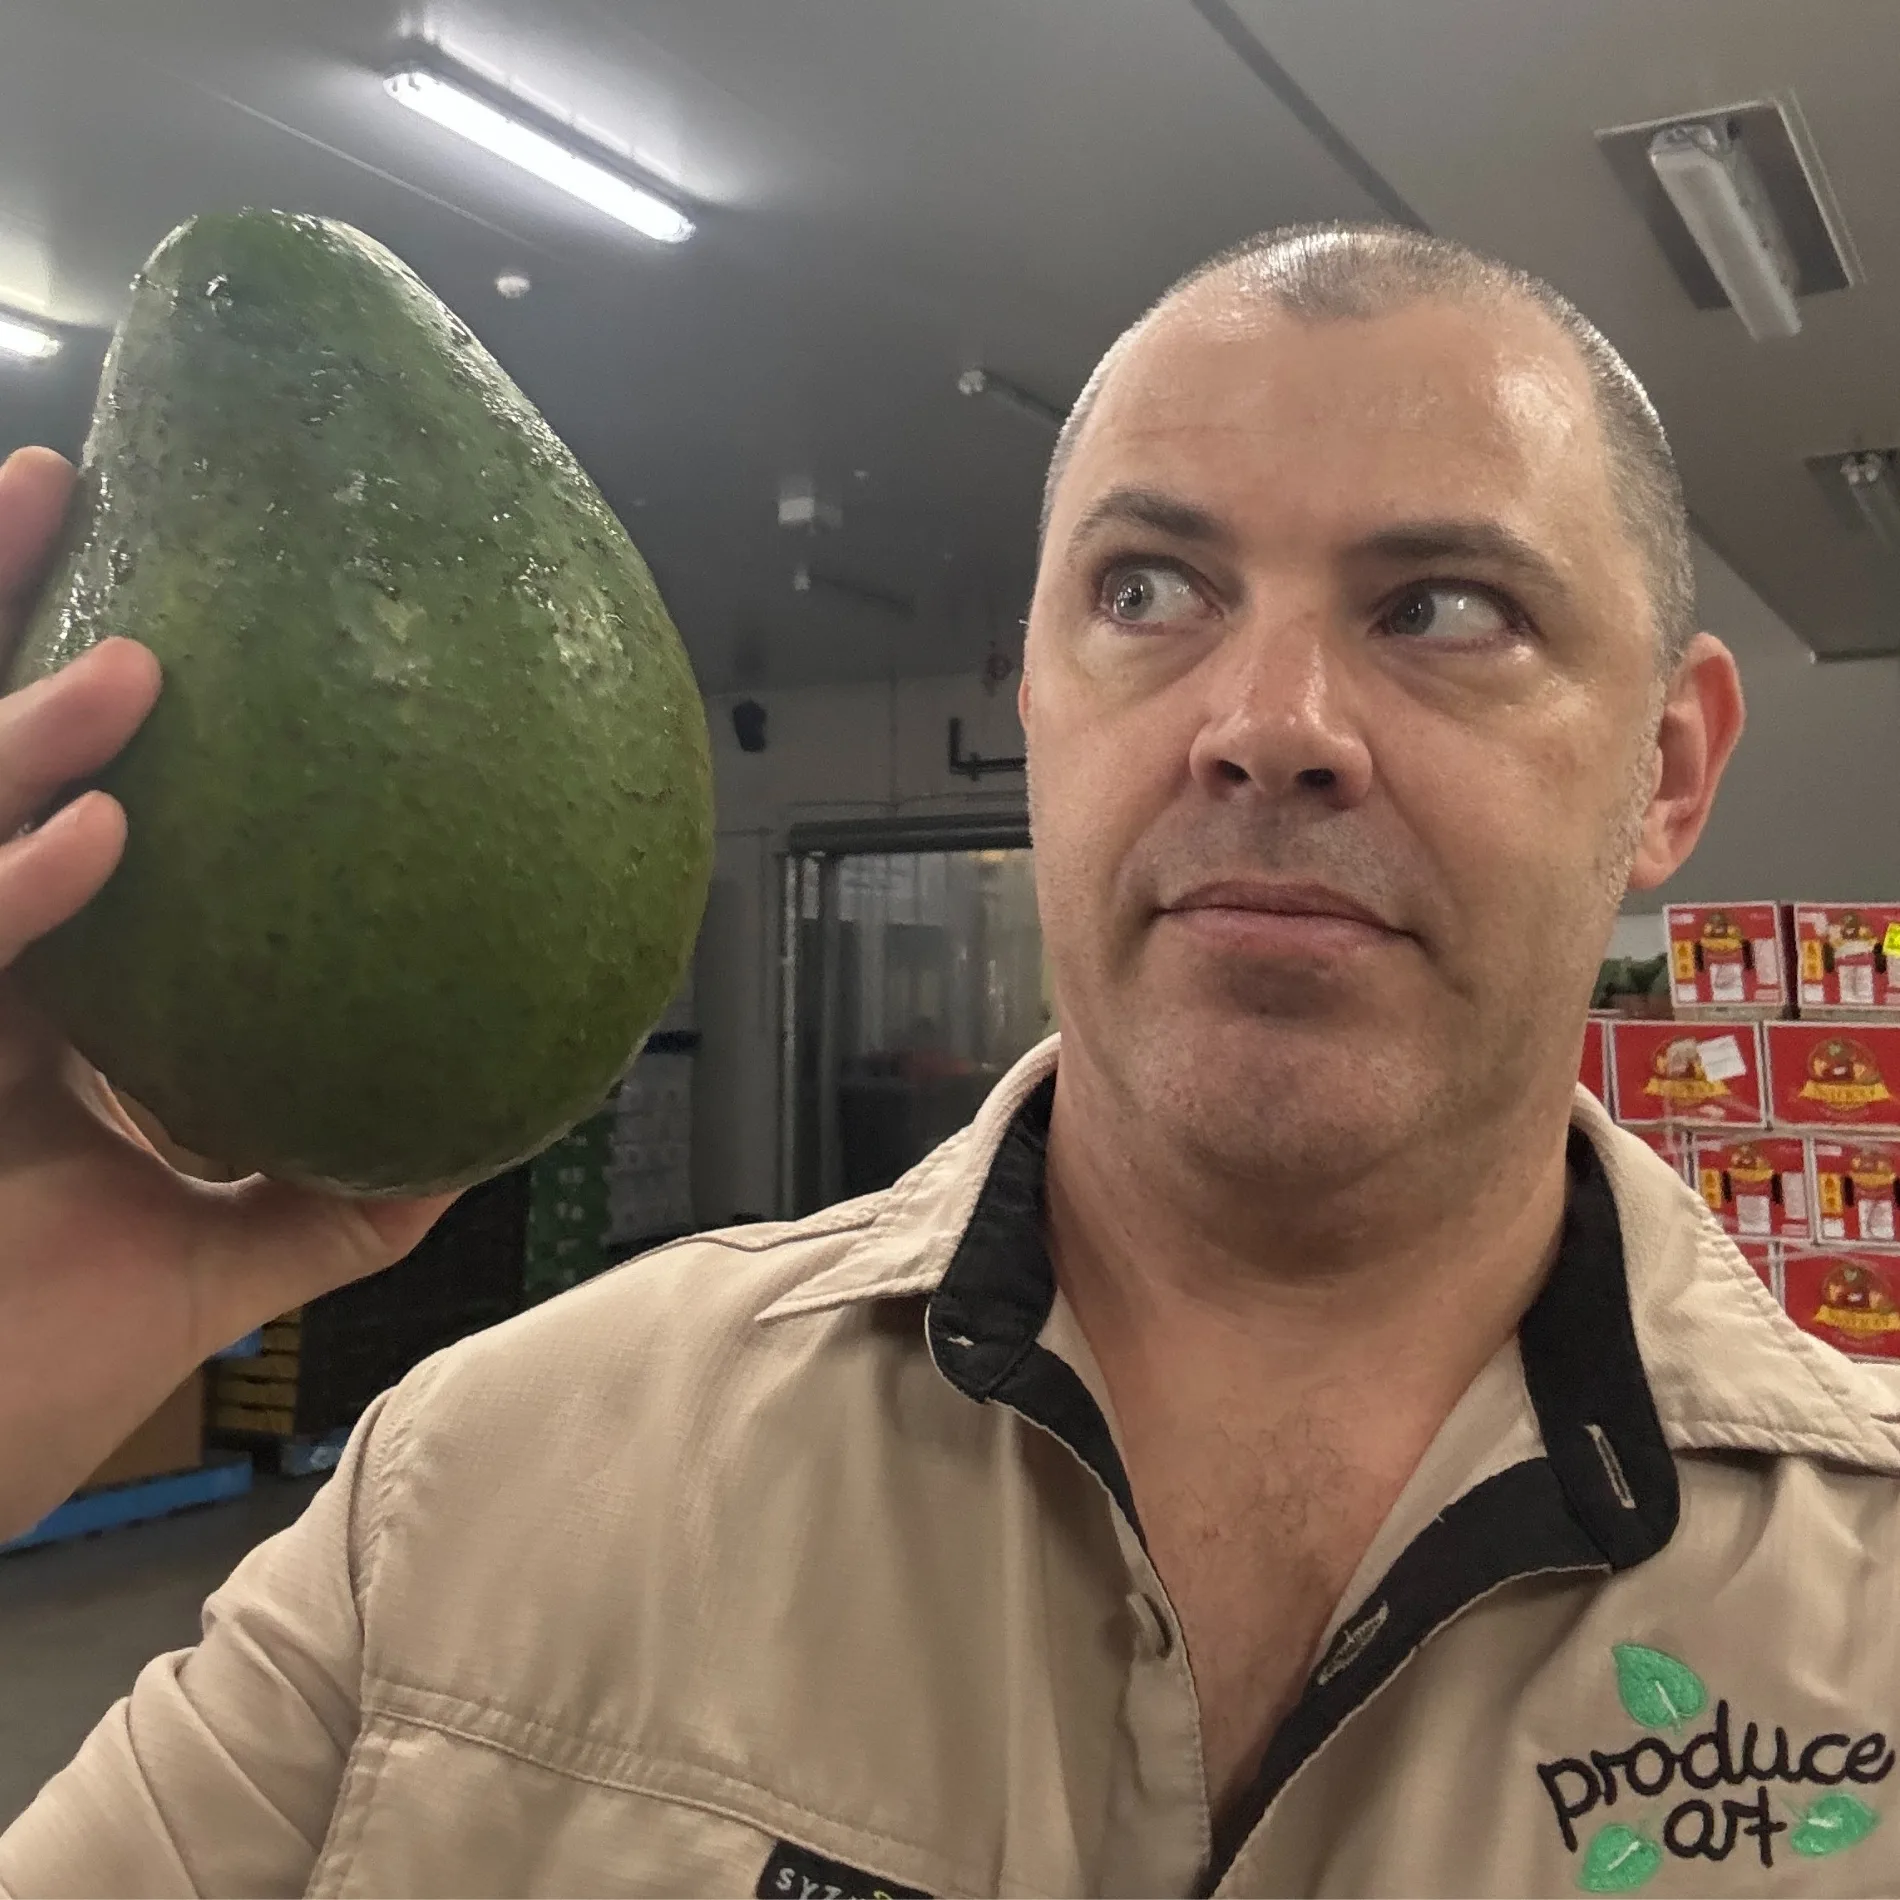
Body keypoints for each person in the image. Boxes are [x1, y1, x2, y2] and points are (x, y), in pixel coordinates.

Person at [2, 222, 1896, 1899]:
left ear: (1667, 771)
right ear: (1037, 702)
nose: (1268, 723)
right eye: (1149, 590)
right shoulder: (484, 1487)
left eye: (1445, 609)